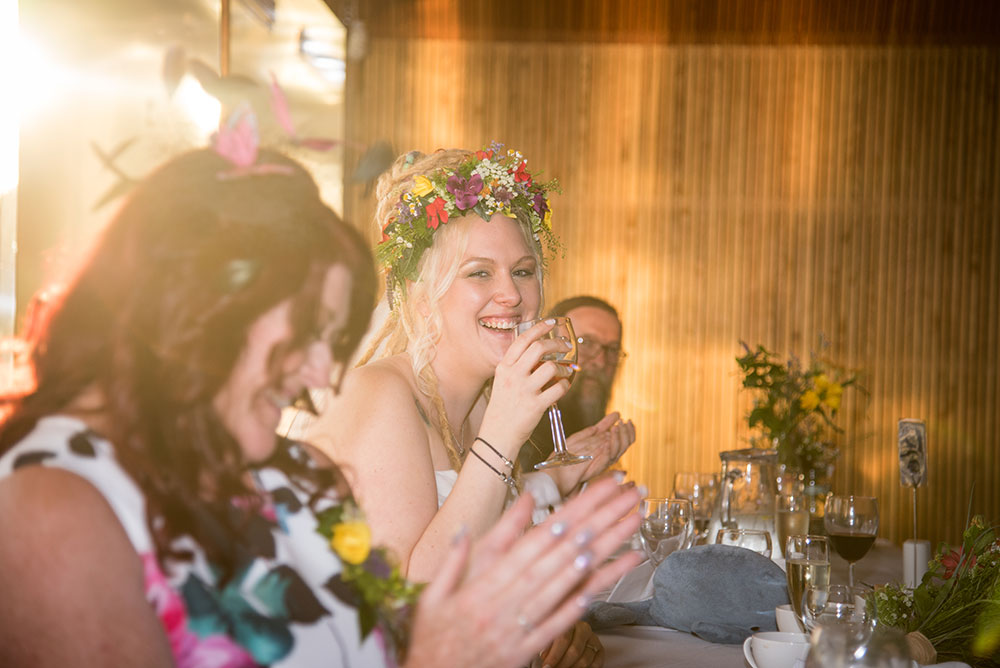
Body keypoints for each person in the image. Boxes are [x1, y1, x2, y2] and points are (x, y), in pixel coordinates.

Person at [0, 145, 642, 667]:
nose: (320, 372)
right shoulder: (53, 499)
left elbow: (375, 624)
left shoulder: (270, 473)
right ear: (193, 310)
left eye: (329, 336)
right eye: (306, 328)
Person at [307, 144, 630, 666]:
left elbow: (491, 564)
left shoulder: (482, 402)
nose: (511, 294)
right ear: (419, 293)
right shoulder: (382, 396)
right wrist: (502, 435)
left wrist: (556, 626)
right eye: (479, 273)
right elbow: (410, 619)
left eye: (523, 271)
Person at [519, 296, 634, 473]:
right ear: (550, 346)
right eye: (586, 343)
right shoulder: (522, 431)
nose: (600, 361)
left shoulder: (600, 434)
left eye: (612, 349)